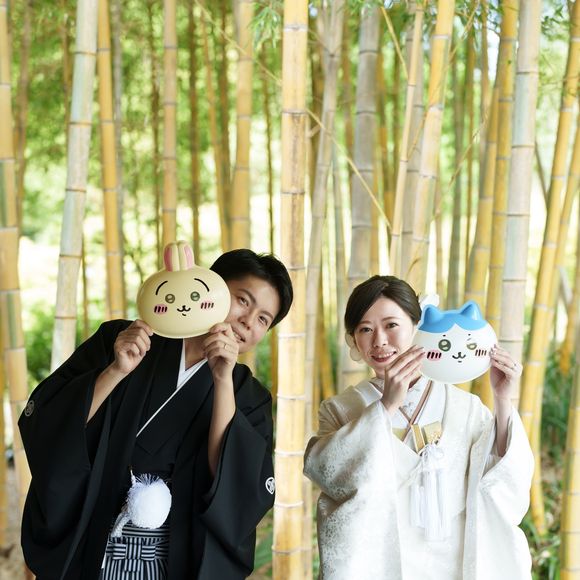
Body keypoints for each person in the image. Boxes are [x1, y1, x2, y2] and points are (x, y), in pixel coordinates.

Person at [19, 248, 293, 580]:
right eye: (243, 300)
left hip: (171, 558)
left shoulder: (249, 395)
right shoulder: (124, 340)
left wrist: (222, 381)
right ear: (211, 288)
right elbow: (51, 421)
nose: (248, 321)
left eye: (263, 319)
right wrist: (116, 371)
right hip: (94, 539)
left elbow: (235, 485)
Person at [303, 275, 533, 580]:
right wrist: (385, 407)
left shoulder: (465, 406)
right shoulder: (340, 409)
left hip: (453, 563)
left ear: (417, 326)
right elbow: (325, 471)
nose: (380, 341)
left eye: (391, 325)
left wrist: (503, 399)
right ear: (354, 340)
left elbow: (499, 479)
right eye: (365, 329)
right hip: (381, 564)